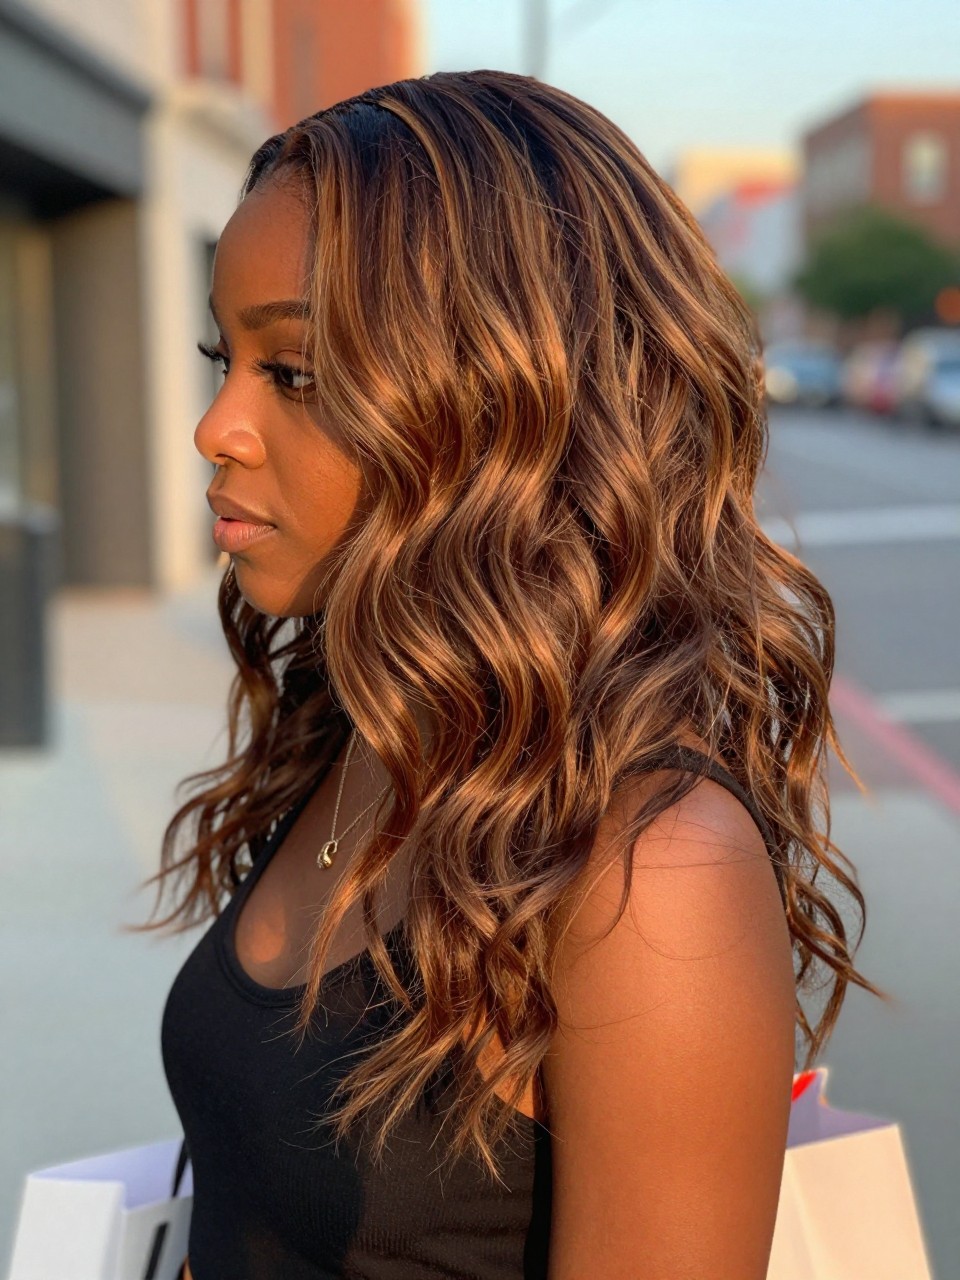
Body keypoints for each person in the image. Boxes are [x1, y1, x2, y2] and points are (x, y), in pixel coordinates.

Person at [138, 69, 887, 1279]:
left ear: (502, 402)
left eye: (295, 372)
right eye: (226, 356)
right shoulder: (368, 727)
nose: (215, 425)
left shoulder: (650, 868)